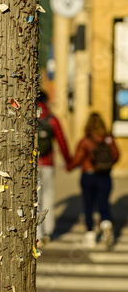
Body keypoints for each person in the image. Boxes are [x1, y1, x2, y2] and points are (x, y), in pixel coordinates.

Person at [67, 112, 119, 248]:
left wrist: (69, 167)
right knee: (104, 203)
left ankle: (90, 236)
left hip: (88, 176)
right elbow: (116, 155)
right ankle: (106, 224)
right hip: (105, 176)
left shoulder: (85, 141)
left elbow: (77, 158)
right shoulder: (109, 139)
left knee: (88, 206)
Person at [37, 92, 71, 245]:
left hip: (33, 164)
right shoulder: (52, 119)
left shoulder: (30, 117)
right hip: (48, 163)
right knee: (48, 196)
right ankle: (48, 231)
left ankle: (37, 232)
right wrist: (68, 161)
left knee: (35, 199)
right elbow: (62, 141)